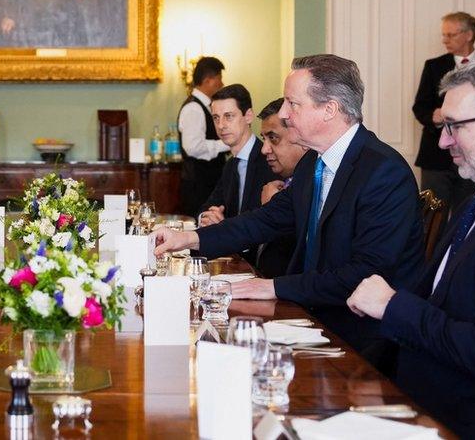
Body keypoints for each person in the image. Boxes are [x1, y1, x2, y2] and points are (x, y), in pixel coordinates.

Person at [154, 54, 423, 361]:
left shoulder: (383, 172)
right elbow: (264, 220)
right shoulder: (314, 162)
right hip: (310, 317)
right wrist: (190, 239)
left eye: (293, 104)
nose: (284, 113)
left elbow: (365, 276)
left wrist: (272, 287)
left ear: (329, 109)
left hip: (360, 338)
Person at [347, 55, 475, 438]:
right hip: (415, 402)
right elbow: (436, 304)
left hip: (468, 422)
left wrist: (391, 305)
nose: (443, 139)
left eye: (454, 126)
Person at [412, 12, 475, 222]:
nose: (444, 40)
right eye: (444, 35)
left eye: (450, 35)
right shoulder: (433, 66)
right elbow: (420, 107)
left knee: (469, 215)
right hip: (436, 156)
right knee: (431, 219)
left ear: (469, 35)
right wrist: (433, 116)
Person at [197, 84, 280, 231]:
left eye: (229, 116)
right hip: (233, 250)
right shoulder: (231, 165)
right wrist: (207, 217)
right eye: (216, 118)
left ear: (248, 116)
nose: (221, 125)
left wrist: (224, 226)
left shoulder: (270, 160)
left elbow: (265, 225)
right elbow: (208, 207)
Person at [254, 98, 308, 278]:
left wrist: (271, 206)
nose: (264, 149)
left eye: (273, 138)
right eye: (264, 139)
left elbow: (300, 256)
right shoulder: (275, 180)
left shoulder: (315, 183)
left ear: (298, 135)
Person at [177, 56, 229, 217]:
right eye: (219, 79)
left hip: (207, 182)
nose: (221, 84)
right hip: (199, 184)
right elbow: (193, 147)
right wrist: (226, 144)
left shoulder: (205, 106)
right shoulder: (193, 108)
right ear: (208, 80)